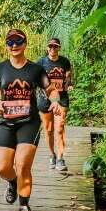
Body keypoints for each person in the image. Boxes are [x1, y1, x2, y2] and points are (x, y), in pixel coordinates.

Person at [0, 29, 59, 211]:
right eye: (10, 42)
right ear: (6, 46)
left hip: (29, 122)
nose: (14, 45)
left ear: (25, 44)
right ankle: (12, 182)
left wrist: (55, 101)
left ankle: (24, 206)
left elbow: (51, 90)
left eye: (18, 41)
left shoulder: (36, 70)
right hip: (5, 122)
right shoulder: (0, 69)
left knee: (22, 165)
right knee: (2, 168)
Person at [36, 37, 73, 172]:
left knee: (60, 127)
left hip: (62, 98)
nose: (52, 49)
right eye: (50, 46)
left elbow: (68, 77)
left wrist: (68, 84)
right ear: (47, 48)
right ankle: (52, 154)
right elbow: (36, 79)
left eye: (55, 46)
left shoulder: (64, 62)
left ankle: (60, 157)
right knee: (49, 129)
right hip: (44, 99)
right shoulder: (41, 62)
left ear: (59, 48)